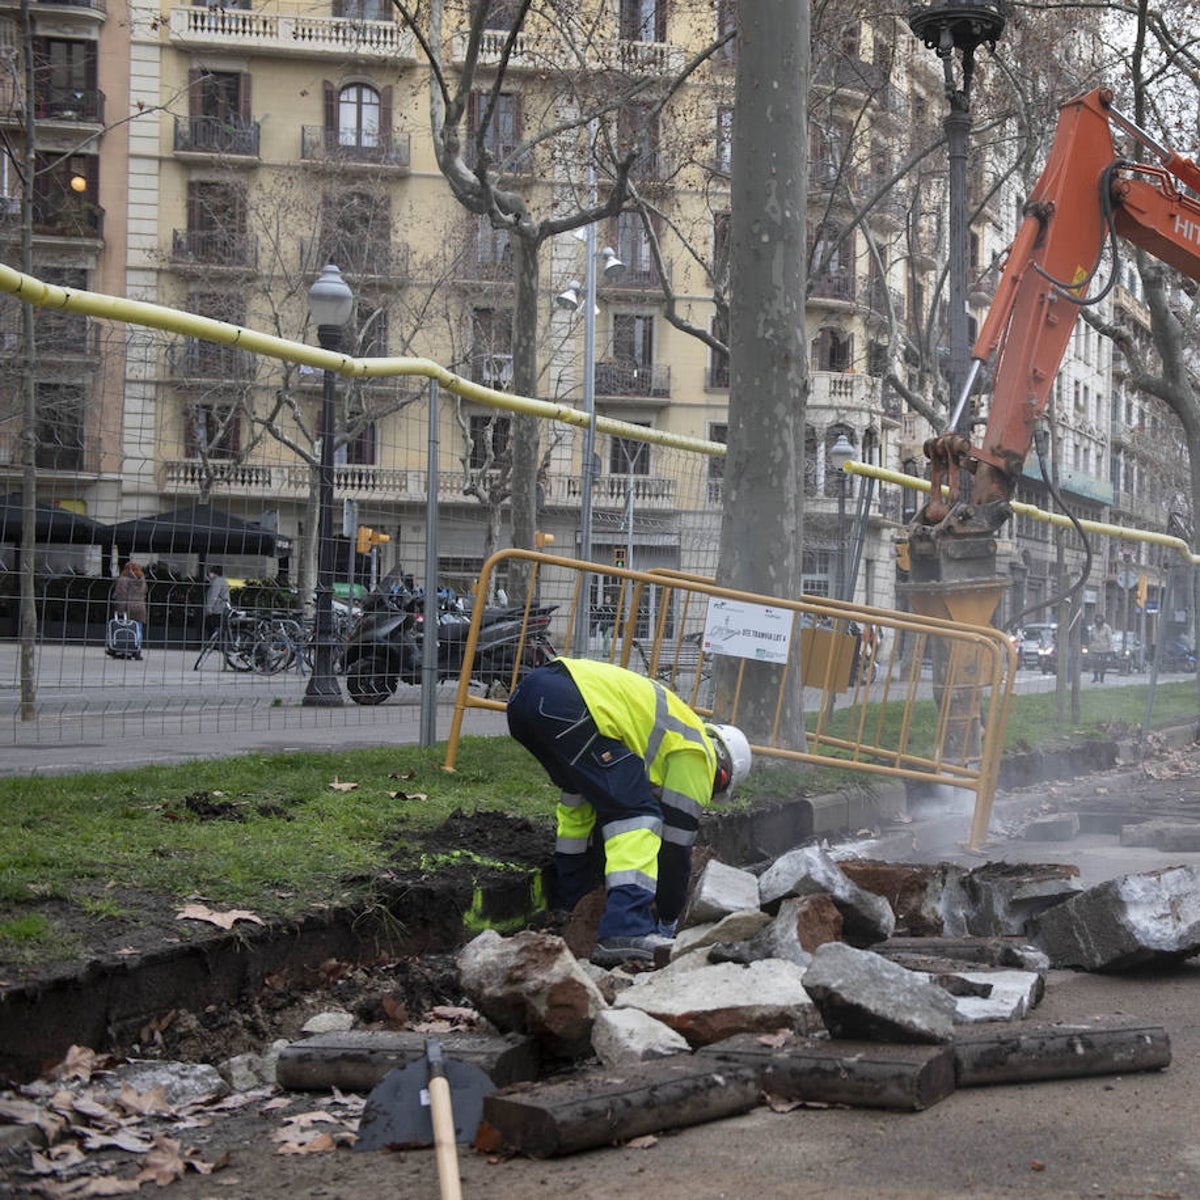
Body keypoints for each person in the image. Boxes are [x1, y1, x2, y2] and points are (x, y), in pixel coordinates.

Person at [506, 657, 752, 967]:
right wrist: (667, 918)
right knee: (638, 814)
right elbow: (675, 849)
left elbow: (582, 822)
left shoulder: (667, 729)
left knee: (579, 801)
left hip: (527, 699)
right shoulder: (698, 754)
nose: (705, 795)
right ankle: (626, 928)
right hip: (569, 705)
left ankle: (568, 906)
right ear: (724, 773)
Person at [111, 561, 148, 660]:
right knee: (138, 629)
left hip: (128, 607)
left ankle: (123, 649)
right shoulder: (142, 579)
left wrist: (119, 610)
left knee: (125, 628)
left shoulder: (123, 580)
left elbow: (121, 594)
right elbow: (144, 592)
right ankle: (137, 649)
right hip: (140, 607)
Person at [204, 566, 231, 639]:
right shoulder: (223, 581)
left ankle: (213, 645)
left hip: (217, 609)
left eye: (210, 572)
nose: (209, 574)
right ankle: (218, 645)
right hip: (223, 608)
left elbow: (214, 595)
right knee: (220, 628)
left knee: (212, 628)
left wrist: (209, 608)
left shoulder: (217, 582)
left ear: (214, 572)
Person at [1090, 614, 1114, 682]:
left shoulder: (1107, 628)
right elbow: (1090, 637)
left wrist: (1110, 649)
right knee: (1094, 663)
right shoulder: (1093, 627)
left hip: (1104, 649)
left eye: (1100, 620)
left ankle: (1102, 678)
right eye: (1097, 620)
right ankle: (1095, 677)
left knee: (1103, 664)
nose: (1098, 621)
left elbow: (1110, 639)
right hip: (1095, 648)